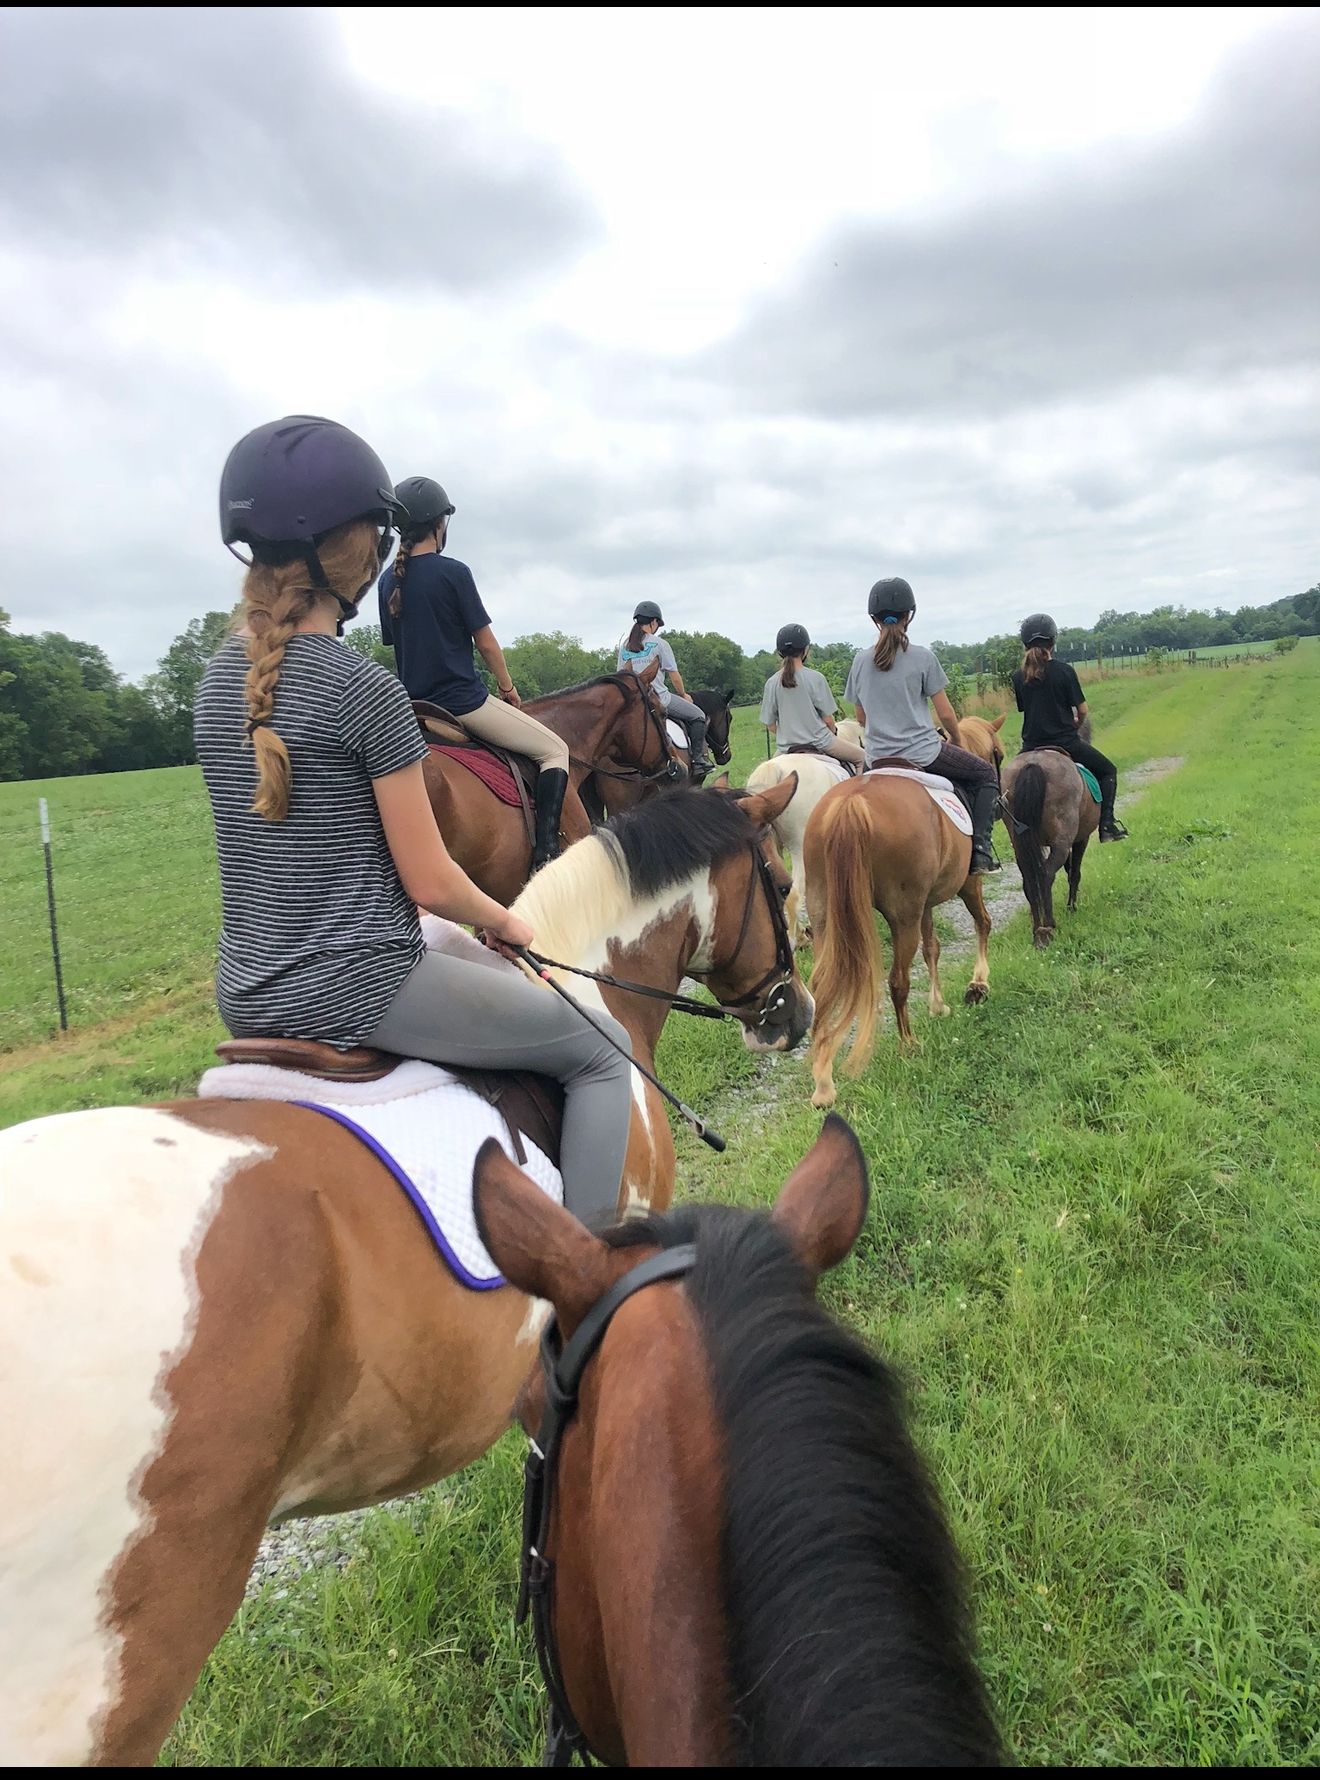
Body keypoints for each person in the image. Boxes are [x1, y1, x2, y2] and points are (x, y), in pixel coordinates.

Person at [197, 415, 633, 1225]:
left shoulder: (216, 682)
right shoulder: (362, 690)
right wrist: (504, 919)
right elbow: (430, 881)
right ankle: (594, 1291)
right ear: (357, 547)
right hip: (360, 987)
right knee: (602, 1052)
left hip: (247, 990)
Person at [379, 476, 572, 870]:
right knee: (555, 750)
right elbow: (485, 643)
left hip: (412, 710)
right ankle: (547, 850)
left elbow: (396, 643)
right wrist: (508, 688)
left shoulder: (387, 582)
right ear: (440, 524)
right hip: (462, 704)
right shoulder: (453, 573)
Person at [844, 576, 1001, 875]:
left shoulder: (860, 661)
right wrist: (955, 737)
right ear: (909, 615)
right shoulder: (922, 657)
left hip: (877, 759)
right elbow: (944, 713)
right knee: (985, 773)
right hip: (923, 753)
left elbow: (861, 718)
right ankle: (980, 851)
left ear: (874, 619)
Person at [1012, 615, 1129, 841]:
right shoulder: (1064, 671)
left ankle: (1011, 823)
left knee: (1007, 788)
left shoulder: (1018, 677)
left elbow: (1026, 709)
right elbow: (1082, 710)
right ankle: (1107, 826)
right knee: (1108, 771)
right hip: (1066, 742)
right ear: (1053, 642)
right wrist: (1076, 723)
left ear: (1024, 644)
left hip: (1030, 746)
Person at [617, 600, 713, 779]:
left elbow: (621, 678)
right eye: (657, 625)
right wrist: (684, 694)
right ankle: (699, 761)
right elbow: (674, 676)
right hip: (659, 699)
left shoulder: (624, 648)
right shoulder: (660, 644)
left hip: (634, 706)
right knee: (698, 716)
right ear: (653, 622)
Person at [760, 623, 865, 770]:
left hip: (786, 748)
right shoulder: (816, 678)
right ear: (806, 650)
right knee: (862, 758)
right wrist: (833, 732)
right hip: (821, 742)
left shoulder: (771, 683)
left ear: (780, 652)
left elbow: (770, 725)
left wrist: (789, 735)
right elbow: (828, 720)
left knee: (766, 778)